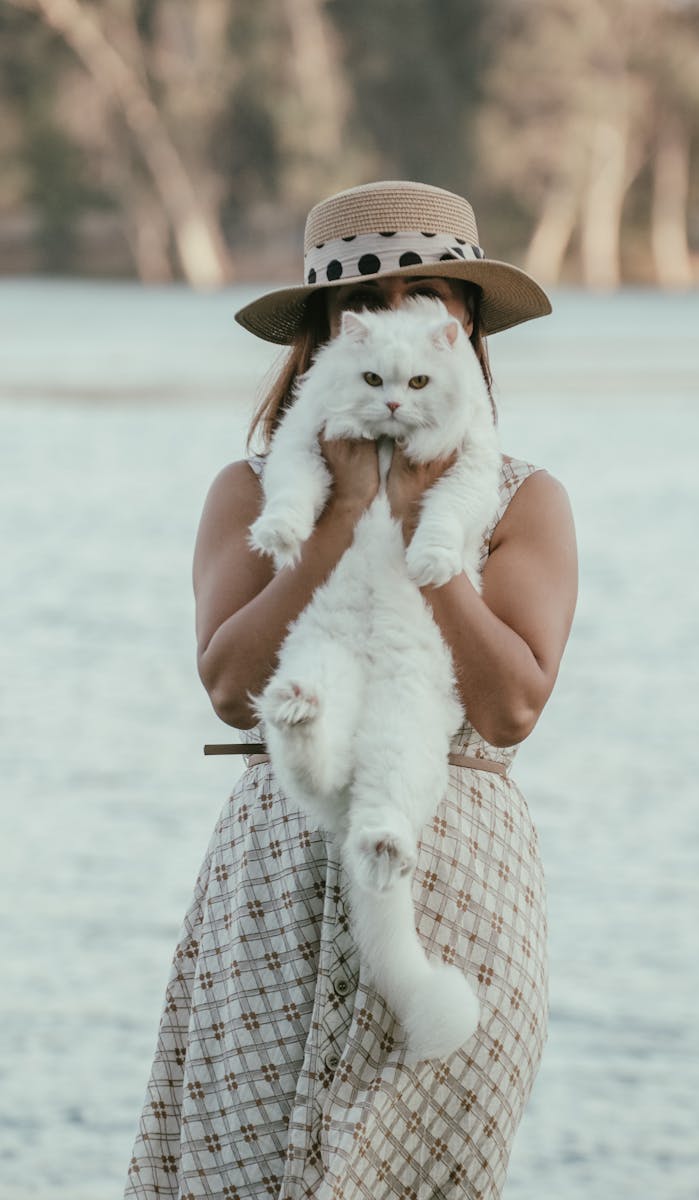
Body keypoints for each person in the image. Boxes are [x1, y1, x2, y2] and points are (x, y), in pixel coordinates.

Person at [124, 180, 578, 1200]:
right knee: (238, 1170)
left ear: (462, 322)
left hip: (457, 873)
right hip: (278, 870)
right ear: (326, 332)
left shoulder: (520, 501)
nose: (397, 318)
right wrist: (335, 525)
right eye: (362, 302)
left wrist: (428, 537)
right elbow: (231, 688)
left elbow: (509, 708)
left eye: (427, 292)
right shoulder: (251, 493)